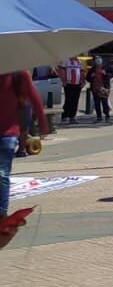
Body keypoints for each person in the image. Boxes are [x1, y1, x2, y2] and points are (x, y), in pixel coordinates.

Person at [1, 69, 50, 217]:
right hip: (9, 133)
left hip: (8, 133)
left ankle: (1, 214)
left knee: (1, 173)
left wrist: (43, 124)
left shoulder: (19, 73)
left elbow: (34, 99)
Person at [58, 56, 85, 124]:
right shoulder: (66, 60)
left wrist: (82, 81)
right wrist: (63, 80)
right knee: (68, 100)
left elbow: (81, 72)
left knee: (75, 100)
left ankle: (72, 117)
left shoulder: (79, 61)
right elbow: (61, 70)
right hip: (68, 83)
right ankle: (64, 117)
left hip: (77, 84)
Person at [88, 56, 111, 123]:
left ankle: (107, 115)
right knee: (97, 103)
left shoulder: (106, 67)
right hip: (95, 88)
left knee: (105, 102)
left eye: (99, 59)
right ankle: (99, 117)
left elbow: (112, 73)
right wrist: (91, 77)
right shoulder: (92, 69)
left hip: (104, 88)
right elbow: (88, 78)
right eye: (96, 60)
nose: (98, 61)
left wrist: (106, 74)